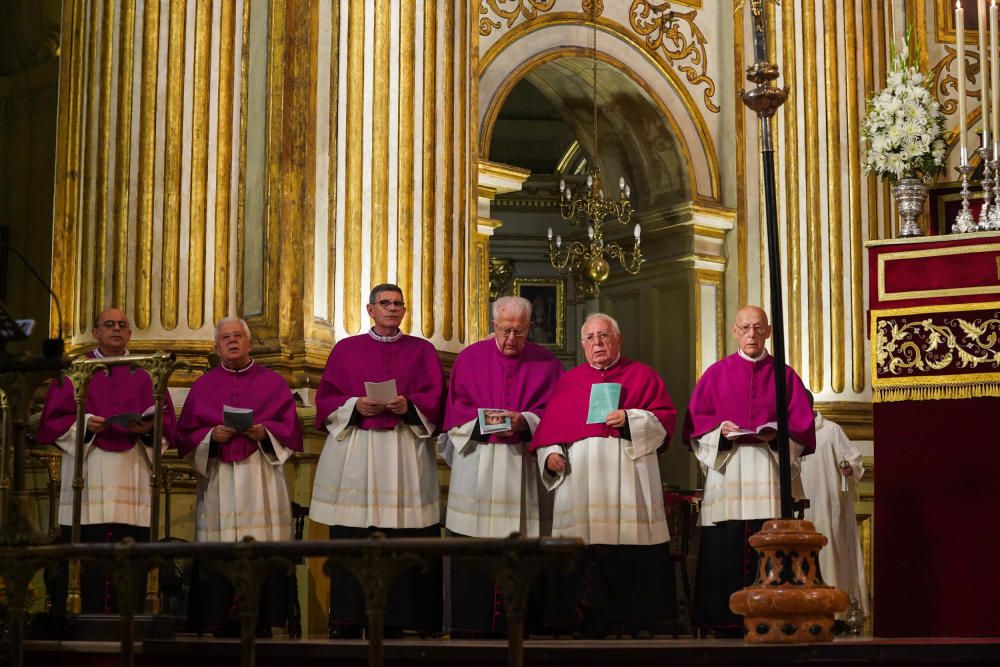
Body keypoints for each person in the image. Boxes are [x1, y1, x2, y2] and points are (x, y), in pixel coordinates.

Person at [310, 283, 445, 639]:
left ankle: (402, 618)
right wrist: (355, 405)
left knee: (405, 533)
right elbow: (326, 400)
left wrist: (410, 406)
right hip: (358, 452)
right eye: (385, 303)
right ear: (370, 310)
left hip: (404, 450)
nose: (392, 309)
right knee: (356, 532)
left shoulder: (422, 350)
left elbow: (436, 398)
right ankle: (349, 617)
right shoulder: (345, 349)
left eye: (398, 304)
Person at [530, 313, 677, 639]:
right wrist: (551, 453)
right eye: (591, 337)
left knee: (631, 550)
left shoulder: (643, 376)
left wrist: (630, 418)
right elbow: (550, 432)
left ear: (618, 340)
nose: (597, 343)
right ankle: (581, 621)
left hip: (629, 479)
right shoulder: (569, 382)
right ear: (582, 344)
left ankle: (635, 620)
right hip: (580, 480)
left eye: (604, 336)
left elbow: (662, 425)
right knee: (583, 549)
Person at [683, 305, 816, 638]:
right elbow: (695, 428)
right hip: (729, 476)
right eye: (745, 328)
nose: (752, 335)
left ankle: (776, 618)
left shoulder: (785, 376)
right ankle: (723, 621)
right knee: (725, 546)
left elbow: (801, 428)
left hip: (768, 475)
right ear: (734, 331)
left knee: (770, 544)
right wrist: (719, 433)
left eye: (758, 328)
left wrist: (776, 435)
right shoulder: (715, 374)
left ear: (769, 331)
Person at [36, 307, 176, 613]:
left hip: (133, 470)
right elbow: (53, 421)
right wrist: (86, 423)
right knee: (89, 544)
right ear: (96, 332)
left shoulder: (147, 371)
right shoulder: (76, 371)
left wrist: (147, 429)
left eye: (123, 325)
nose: (116, 329)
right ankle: (78, 613)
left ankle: (131, 614)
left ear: (129, 333)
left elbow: (166, 422)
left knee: (131, 546)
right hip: (90, 468)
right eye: (109, 324)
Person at [439, 295, 563, 637]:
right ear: (494, 325)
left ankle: (524, 627)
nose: (512, 339)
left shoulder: (547, 364)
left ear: (529, 328)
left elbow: (556, 414)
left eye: (520, 332)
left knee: (523, 551)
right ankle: (470, 627)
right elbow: (455, 412)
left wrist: (525, 421)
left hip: (522, 469)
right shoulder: (468, 359)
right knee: (473, 554)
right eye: (506, 330)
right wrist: (486, 424)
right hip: (479, 465)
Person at [176, 317, 303, 637]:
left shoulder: (273, 382)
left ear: (249, 343)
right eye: (225, 338)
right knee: (220, 544)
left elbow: (289, 430)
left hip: (261, 477)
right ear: (216, 346)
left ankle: (259, 620)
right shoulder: (203, 386)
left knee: (262, 543)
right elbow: (186, 436)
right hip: (221, 479)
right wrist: (210, 436)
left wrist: (265, 432)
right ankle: (218, 619)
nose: (232, 342)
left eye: (238, 336)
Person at [799, 392, 869, 626]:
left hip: (828, 503)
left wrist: (849, 467)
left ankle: (836, 611)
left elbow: (853, 459)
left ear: (809, 406)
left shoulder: (830, 430)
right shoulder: (789, 434)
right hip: (800, 508)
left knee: (832, 553)